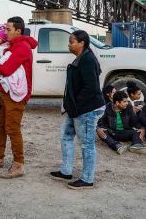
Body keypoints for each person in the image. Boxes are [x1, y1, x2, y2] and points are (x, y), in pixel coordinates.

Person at [0, 16, 38, 179]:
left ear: (18, 31)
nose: (5, 32)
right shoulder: (14, 45)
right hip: (8, 92)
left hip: (16, 95)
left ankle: (19, 164)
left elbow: (7, 68)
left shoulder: (22, 47)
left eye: (8, 29)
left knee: (12, 128)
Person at [49, 30, 105, 190]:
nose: (69, 44)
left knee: (87, 144)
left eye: (71, 41)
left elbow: (91, 88)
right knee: (65, 136)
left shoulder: (87, 60)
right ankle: (66, 171)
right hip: (76, 109)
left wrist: (77, 106)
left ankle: (87, 179)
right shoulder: (82, 58)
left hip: (86, 110)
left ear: (81, 43)